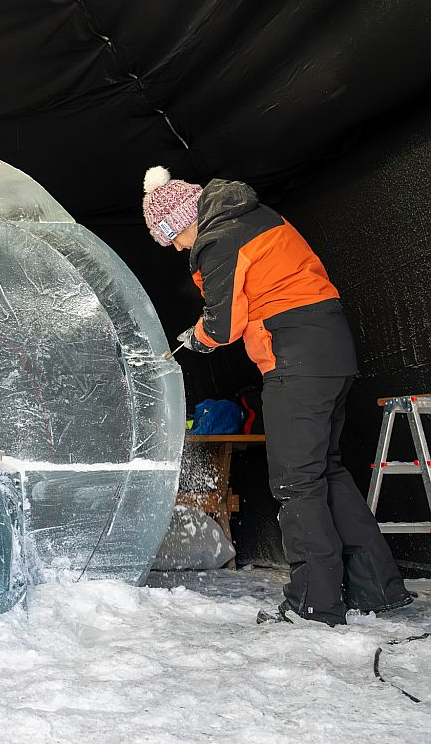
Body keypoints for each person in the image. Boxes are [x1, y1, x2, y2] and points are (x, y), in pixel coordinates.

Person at [141, 165, 413, 626]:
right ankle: (376, 588)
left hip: (295, 357)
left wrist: (194, 338)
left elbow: (223, 325)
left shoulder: (217, 238)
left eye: (172, 238)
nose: (178, 249)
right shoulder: (254, 216)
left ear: (183, 220)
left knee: (296, 481)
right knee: (325, 470)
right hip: (331, 352)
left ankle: (314, 603)